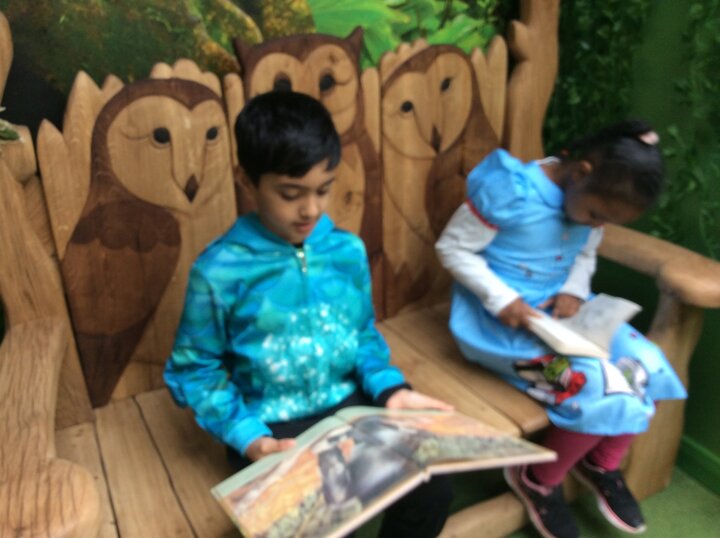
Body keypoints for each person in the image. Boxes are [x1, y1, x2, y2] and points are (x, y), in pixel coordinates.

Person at [164, 90, 453, 538]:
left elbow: (362, 336)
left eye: (323, 189)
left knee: (432, 485)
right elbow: (194, 371)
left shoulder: (346, 251)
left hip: (352, 408)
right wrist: (249, 437)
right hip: (271, 427)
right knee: (323, 522)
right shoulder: (218, 271)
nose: (311, 209)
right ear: (247, 180)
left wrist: (391, 390)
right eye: (290, 193)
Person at [435, 120, 687, 538]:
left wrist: (574, 288)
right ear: (581, 172)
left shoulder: (592, 204)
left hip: (564, 317)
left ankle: (599, 463)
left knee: (649, 364)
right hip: (499, 329)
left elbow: (584, 255)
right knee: (595, 386)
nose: (596, 225)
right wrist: (502, 299)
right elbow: (453, 248)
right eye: (596, 215)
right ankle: (537, 478)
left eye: (606, 221)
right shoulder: (512, 191)